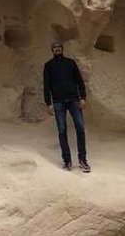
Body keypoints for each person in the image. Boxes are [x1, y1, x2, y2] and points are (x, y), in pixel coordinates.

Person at [43, 41, 91, 172]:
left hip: (73, 100)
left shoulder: (70, 63)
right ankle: (67, 160)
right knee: (62, 130)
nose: (57, 49)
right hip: (58, 101)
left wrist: (82, 97)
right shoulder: (48, 66)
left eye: (59, 47)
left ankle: (82, 159)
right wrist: (48, 103)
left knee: (80, 127)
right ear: (52, 50)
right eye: (55, 48)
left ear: (62, 49)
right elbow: (46, 86)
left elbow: (79, 81)